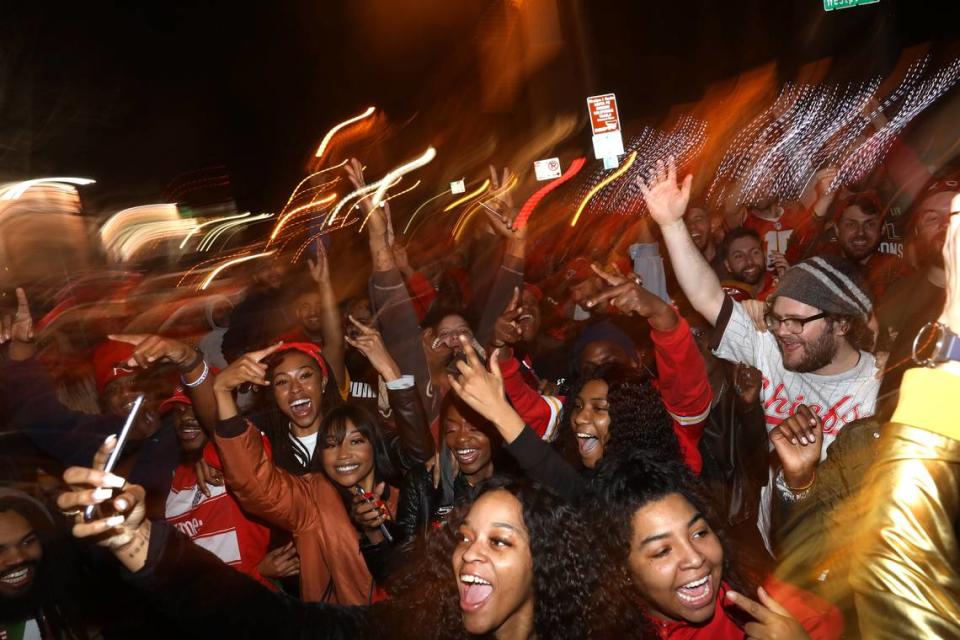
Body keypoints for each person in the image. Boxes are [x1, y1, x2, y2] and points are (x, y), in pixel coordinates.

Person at [57, 444, 644, 639]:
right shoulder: (421, 628)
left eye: (499, 542)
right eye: (465, 537)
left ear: (544, 562)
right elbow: (276, 622)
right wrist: (143, 544)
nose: (469, 553)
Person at [211, 338, 433, 603]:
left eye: (305, 376)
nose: (295, 390)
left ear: (324, 381)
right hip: (317, 600)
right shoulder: (270, 447)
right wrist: (221, 392)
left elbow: (417, 456)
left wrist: (391, 373)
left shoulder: (357, 426)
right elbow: (253, 482)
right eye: (282, 382)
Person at [848, 207, 960, 639]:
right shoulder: (899, 297)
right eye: (938, 216)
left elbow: (892, 573)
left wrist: (952, 338)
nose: (949, 226)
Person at [591, 451, 843, 639]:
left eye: (699, 533)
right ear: (622, 571)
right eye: (662, 550)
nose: (695, 558)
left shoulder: (755, 599)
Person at [160, 391, 274, 587]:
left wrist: (253, 574)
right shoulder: (175, 477)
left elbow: (249, 443)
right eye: (179, 411)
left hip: (251, 601)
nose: (186, 417)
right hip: (204, 607)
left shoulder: (232, 460)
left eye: (195, 408)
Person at [717, 227, 777, 301]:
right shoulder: (724, 298)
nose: (749, 261)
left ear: (764, 255)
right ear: (727, 265)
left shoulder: (781, 288)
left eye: (754, 252)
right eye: (739, 256)